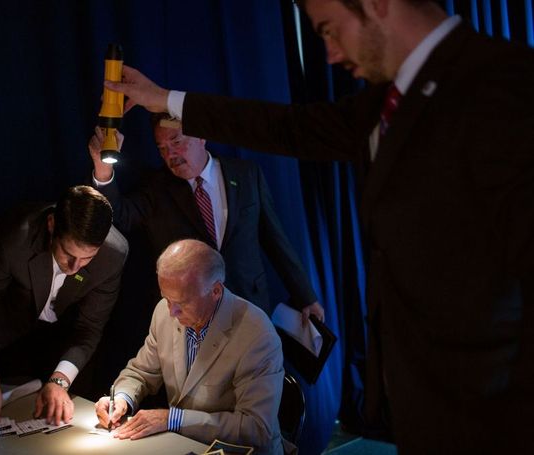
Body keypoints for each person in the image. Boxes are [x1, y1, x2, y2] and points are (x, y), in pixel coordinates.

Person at [102, 1, 534, 453]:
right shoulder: (384, 103)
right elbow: (288, 128)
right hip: (421, 401)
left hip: (492, 407)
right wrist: (166, 100)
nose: (328, 54)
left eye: (328, 30)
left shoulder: (505, 85)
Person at [88, 116, 324, 324]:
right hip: (192, 318)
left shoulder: (246, 175)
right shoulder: (156, 188)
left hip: (249, 308)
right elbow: (118, 216)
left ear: (201, 135)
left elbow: (275, 240)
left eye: (177, 142)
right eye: (162, 148)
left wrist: (306, 297)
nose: (170, 155)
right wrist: (102, 171)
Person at [94, 239, 285, 454]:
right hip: (183, 446)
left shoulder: (257, 334)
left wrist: (174, 419)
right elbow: (141, 372)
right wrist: (121, 399)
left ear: (215, 291)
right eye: (166, 298)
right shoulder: (164, 313)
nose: (172, 312)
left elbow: (255, 428)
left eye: (182, 303)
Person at [0, 185, 128, 431]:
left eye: (87, 259)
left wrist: (59, 381)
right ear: (51, 225)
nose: (74, 267)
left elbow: (89, 328)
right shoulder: (15, 238)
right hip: (7, 336)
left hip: (65, 339)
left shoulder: (114, 253)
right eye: (68, 254)